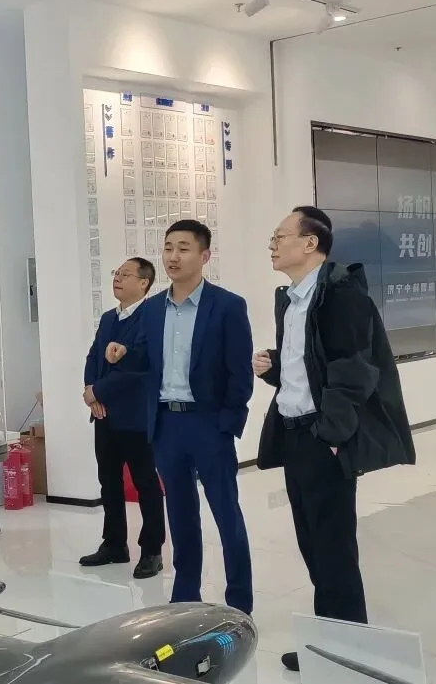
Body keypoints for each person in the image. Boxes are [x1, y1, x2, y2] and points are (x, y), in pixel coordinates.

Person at [254, 206, 415, 672]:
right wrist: (274, 368)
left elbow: (354, 372)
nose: (272, 245)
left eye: (280, 236)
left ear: (310, 243)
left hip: (321, 438)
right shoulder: (293, 299)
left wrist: (331, 435)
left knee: (334, 548)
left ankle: (349, 649)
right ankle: (328, 642)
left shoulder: (341, 295)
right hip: (295, 435)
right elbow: (312, 366)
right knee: (314, 544)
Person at [105, 220, 254, 615]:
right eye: (168, 247)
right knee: (181, 516)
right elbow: (146, 357)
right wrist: (125, 353)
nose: (173, 256)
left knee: (226, 514)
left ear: (204, 256)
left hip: (208, 424)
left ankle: (240, 602)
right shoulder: (153, 309)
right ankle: (185, 598)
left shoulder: (227, 306)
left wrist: (228, 424)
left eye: (184, 248)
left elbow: (240, 374)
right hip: (166, 425)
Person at [80, 257, 166, 579]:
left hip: (136, 415)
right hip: (104, 414)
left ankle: (152, 550)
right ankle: (115, 544)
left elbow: (139, 368)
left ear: (143, 283)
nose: (117, 278)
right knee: (109, 481)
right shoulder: (108, 318)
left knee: (145, 483)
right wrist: (91, 391)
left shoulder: (151, 317)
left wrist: (98, 390)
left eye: (125, 274)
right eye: (117, 273)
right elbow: (93, 356)